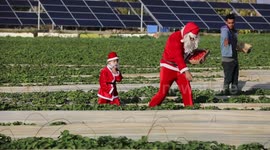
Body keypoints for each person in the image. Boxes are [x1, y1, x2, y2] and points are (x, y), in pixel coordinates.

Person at [149, 22, 200, 107]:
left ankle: (190, 108)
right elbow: (178, 57)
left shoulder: (187, 39)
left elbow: (187, 53)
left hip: (179, 67)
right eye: (191, 38)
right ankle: (151, 106)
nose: (192, 40)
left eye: (194, 39)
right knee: (163, 91)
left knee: (187, 90)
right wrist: (186, 71)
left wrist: (197, 56)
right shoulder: (174, 38)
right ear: (187, 34)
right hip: (168, 67)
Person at [220, 13, 239, 95]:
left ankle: (234, 93)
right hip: (227, 58)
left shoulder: (234, 31)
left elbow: (235, 43)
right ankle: (225, 93)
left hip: (234, 58)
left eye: (232, 22)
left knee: (235, 78)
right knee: (228, 78)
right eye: (229, 23)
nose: (231, 24)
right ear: (226, 22)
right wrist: (226, 40)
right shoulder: (225, 30)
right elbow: (225, 37)